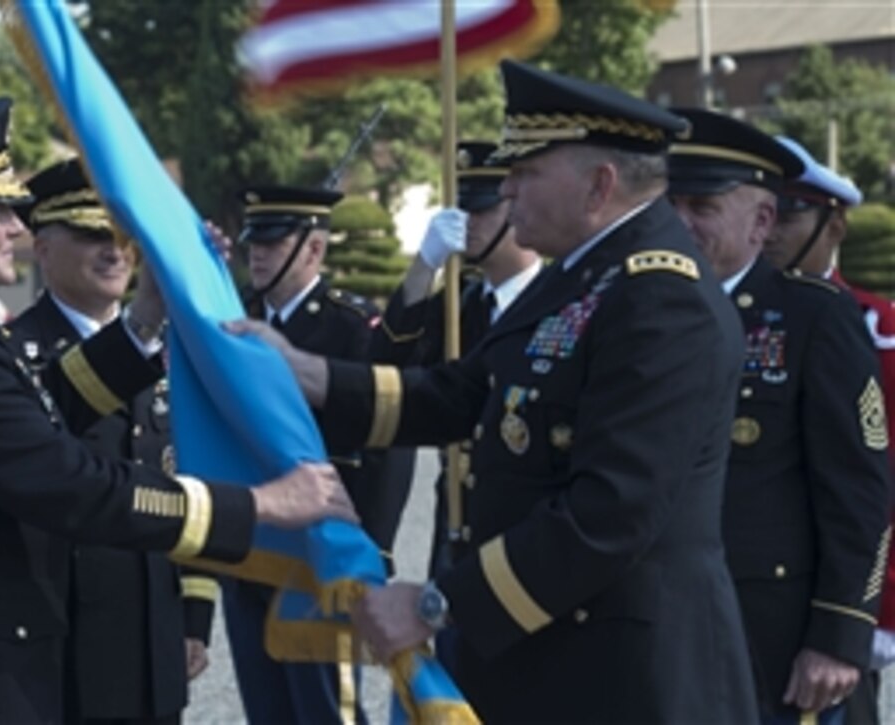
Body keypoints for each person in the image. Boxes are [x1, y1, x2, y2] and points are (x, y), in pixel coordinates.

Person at [229, 60, 759, 723]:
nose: (507, 190)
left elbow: (610, 511)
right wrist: (303, 370)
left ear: (599, 185)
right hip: (548, 655)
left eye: (527, 172)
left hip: (626, 677)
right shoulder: (581, 279)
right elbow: (458, 393)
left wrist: (437, 603)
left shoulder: (660, 299)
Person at [0, 97, 356, 724]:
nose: (18, 227)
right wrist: (262, 505)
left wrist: (146, 314)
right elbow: (68, 480)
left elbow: (41, 405)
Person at [668, 108, 892, 723]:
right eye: (671, 205)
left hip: (773, 640)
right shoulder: (637, 309)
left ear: (761, 221)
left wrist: (839, 634)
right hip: (658, 630)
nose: (680, 224)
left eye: (702, 206)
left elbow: (860, 492)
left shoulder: (814, 318)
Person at [9, 158, 219, 725]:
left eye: (124, 238)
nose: (114, 251)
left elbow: (190, 479)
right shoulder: (15, 356)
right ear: (43, 246)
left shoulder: (168, 353)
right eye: (91, 235)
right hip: (64, 642)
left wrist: (193, 617)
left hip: (154, 634)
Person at [222, 184, 410, 723]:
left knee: (328, 709)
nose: (256, 252)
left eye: (274, 242)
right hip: (253, 548)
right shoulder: (236, 319)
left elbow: (388, 450)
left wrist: (375, 549)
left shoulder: (352, 326)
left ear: (314, 250)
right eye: (253, 241)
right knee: (267, 706)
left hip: (321, 555)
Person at [371, 140, 542, 667]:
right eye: (460, 208)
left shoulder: (556, 305)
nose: (468, 221)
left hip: (523, 538)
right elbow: (389, 370)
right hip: (456, 527)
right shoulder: (461, 305)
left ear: (517, 208)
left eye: (482, 208)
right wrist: (423, 270)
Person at [763, 137, 895, 725]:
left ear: (835, 227)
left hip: (835, 604)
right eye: (762, 211)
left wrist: (871, 612)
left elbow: (875, 485)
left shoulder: (878, 329)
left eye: (789, 214)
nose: (769, 230)